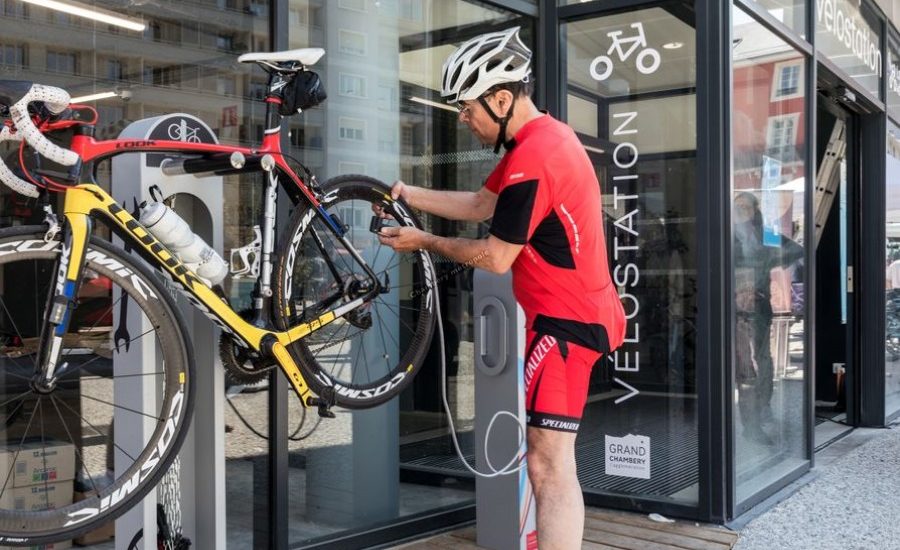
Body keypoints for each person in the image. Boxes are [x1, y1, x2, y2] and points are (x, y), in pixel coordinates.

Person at [375, 27, 626, 550]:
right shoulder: (537, 142)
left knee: (547, 462)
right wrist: (406, 193)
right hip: (572, 315)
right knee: (554, 459)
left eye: (467, 110)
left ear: (502, 98)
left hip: (566, 322)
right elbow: (479, 205)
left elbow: (494, 255)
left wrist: (421, 240)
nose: (464, 121)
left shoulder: (537, 157)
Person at [732, 191, 802, 445]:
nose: (741, 211)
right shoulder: (727, 235)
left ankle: (763, 408)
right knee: (745, 367)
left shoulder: (765, 234)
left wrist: (767, 264)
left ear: (755, 210)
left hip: (759, 305)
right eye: (737, 206)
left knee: (763, 361)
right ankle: (751, 426)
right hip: (735, 307)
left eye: (746, 207)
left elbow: (795, 249)